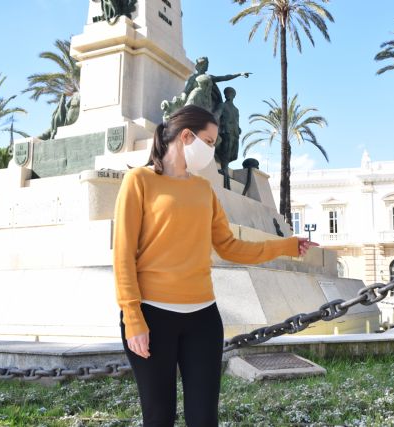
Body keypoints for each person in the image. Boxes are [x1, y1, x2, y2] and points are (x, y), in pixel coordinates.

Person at [112, 104, 318, 426]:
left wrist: (287, 245)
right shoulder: (138, 181)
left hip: (203, 319)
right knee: (158, 417)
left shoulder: (203, 189)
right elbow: (123, 254)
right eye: (209, 142)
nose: (212, 150)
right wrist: (133, 317)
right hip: (152, 317)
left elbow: (230, 247)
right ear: (186, 136)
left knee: (204, 418)